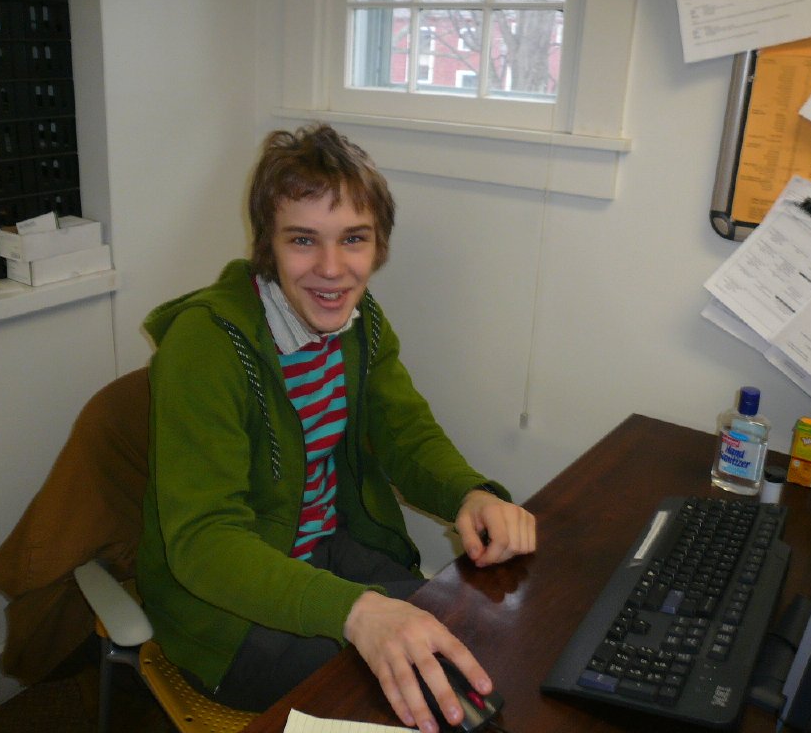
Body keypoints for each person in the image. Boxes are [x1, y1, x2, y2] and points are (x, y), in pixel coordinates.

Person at [136, 123, 536, 733]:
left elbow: (405, 433)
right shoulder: (204, 347)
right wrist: (356, 612)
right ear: (267, 245)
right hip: (227, 612)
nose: (331, 268)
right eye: (303, 240)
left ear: (378, 246)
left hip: (328, 552)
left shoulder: (360, 320)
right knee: (419, 694)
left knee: (472, 639)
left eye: (353, 239)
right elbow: (205, 543)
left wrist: (470, 494)